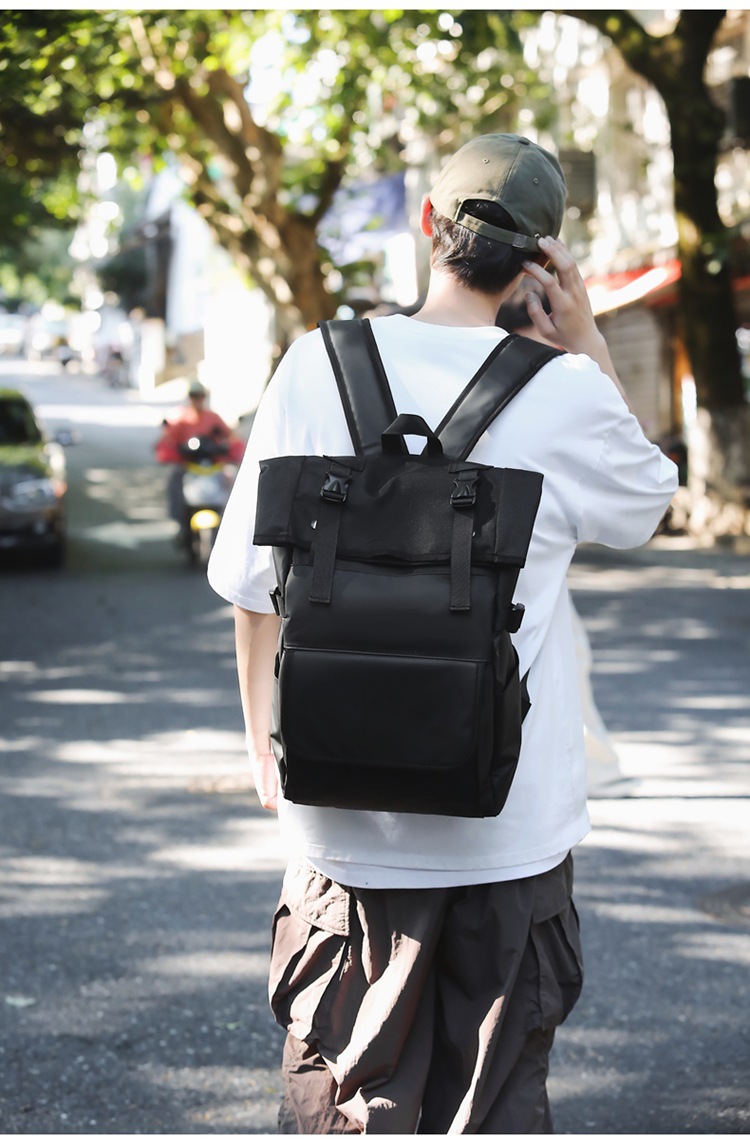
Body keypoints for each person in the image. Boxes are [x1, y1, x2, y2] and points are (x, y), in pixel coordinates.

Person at [207, 134, 678, 1134]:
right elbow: (647, 502)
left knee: (347, 1105)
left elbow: (251, 586)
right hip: (508, 832)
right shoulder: (562, 391)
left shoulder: (315, 363)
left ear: (428, 224)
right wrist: (587, 344)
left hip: (343, 831)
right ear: (543, 261)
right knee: (492, 1107)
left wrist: (263, 746)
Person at [496, 287, 631, 796]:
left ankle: (589, 764)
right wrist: (590, 345)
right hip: (516, 553)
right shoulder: (538, 386)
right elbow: (640, 480)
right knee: (553, 657)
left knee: (569, 653)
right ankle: (581, 767)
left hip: (534, 550)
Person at [156, 379, 244, 543]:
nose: (197, 399)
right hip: (188, 465)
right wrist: (169, 453)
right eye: (193, 396)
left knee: (232, 479)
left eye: (200, 396)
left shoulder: (213, 417)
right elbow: (167, 440)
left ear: (204, 397)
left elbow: (231, 437)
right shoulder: (179, 417)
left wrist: (233, 451)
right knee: (174, 478)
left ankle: (234, 523)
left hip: (212, 465)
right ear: (189, 397)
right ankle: (180, 522)